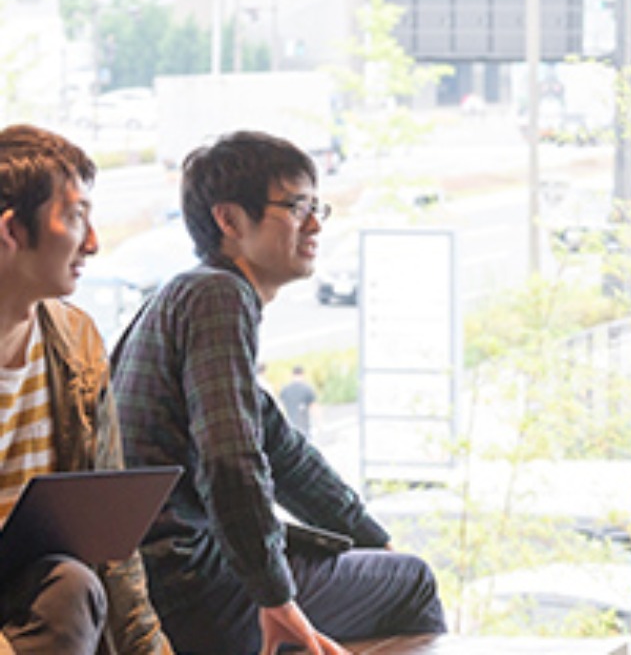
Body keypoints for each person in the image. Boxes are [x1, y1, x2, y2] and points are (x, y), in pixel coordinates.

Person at [110, 131, 445, 655]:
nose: (315, 225)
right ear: (229, 220)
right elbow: (230, 460)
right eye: (296, 207)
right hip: (193, 586)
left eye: (316, 208)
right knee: (413, 584)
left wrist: (373, 539)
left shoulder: (188, 295)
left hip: (164, 579)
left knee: (388, 567)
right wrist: (274, 595)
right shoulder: (218, 296)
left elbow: (284, 454)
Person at [0, 124, 174, 655]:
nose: (93, 243)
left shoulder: (76, 341)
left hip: (26, 600)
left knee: (70, 586)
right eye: (76, 216)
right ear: (11, 230)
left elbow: (111, 547)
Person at [279, 366, 317, 436]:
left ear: (292, 375)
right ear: (303, 374)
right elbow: (313, 408)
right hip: (304, 425)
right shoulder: (307, 389)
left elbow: (281, 407)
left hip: (289, 425)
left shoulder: (285, 389)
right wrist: (319, 423)